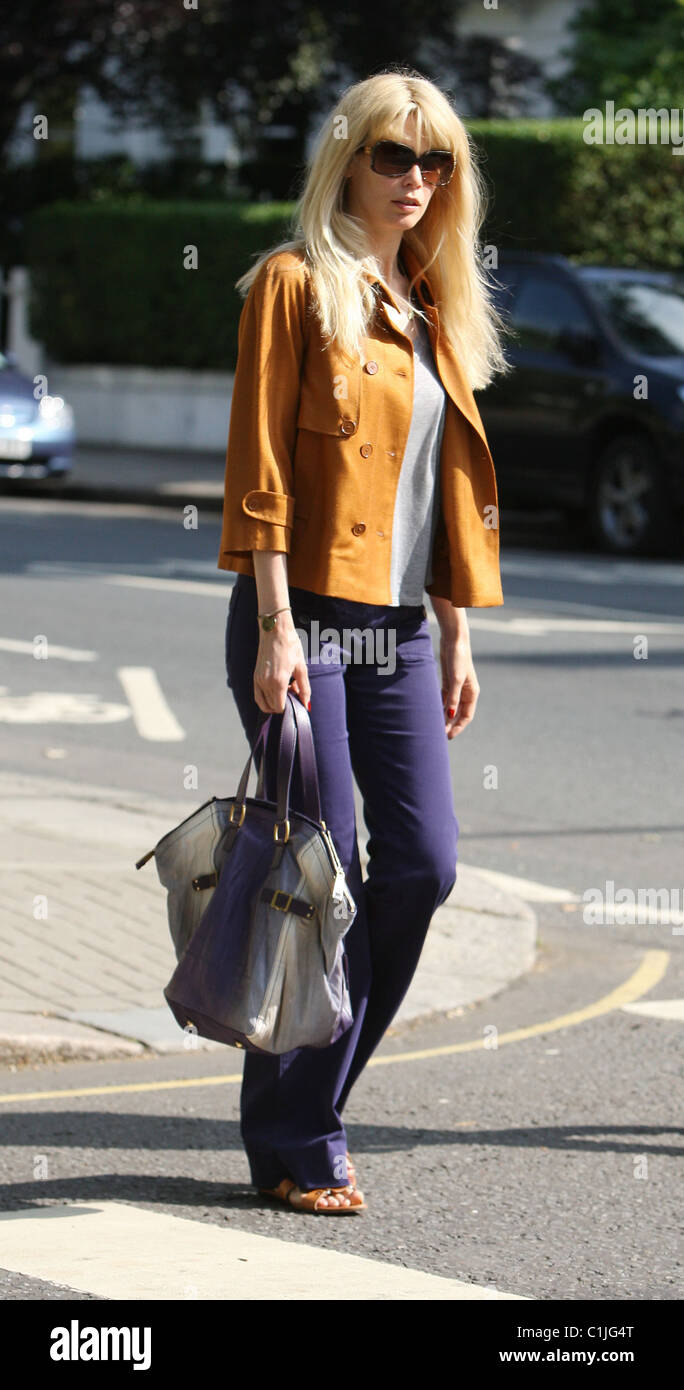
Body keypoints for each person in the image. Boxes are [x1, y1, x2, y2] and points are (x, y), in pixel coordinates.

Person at [219, 67, 510, 1214]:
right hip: (304, 618)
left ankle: (305, 1101)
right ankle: (299, 1131)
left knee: (426, 865)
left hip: (396, 631)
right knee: (323, 867)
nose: (416, 180)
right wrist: (277, 625)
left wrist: (455, 634)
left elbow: (440, 496)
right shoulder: (293, 286)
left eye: (436, 162)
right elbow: (262, 472)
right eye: (395, 154)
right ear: (346, 158)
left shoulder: (433, 308)